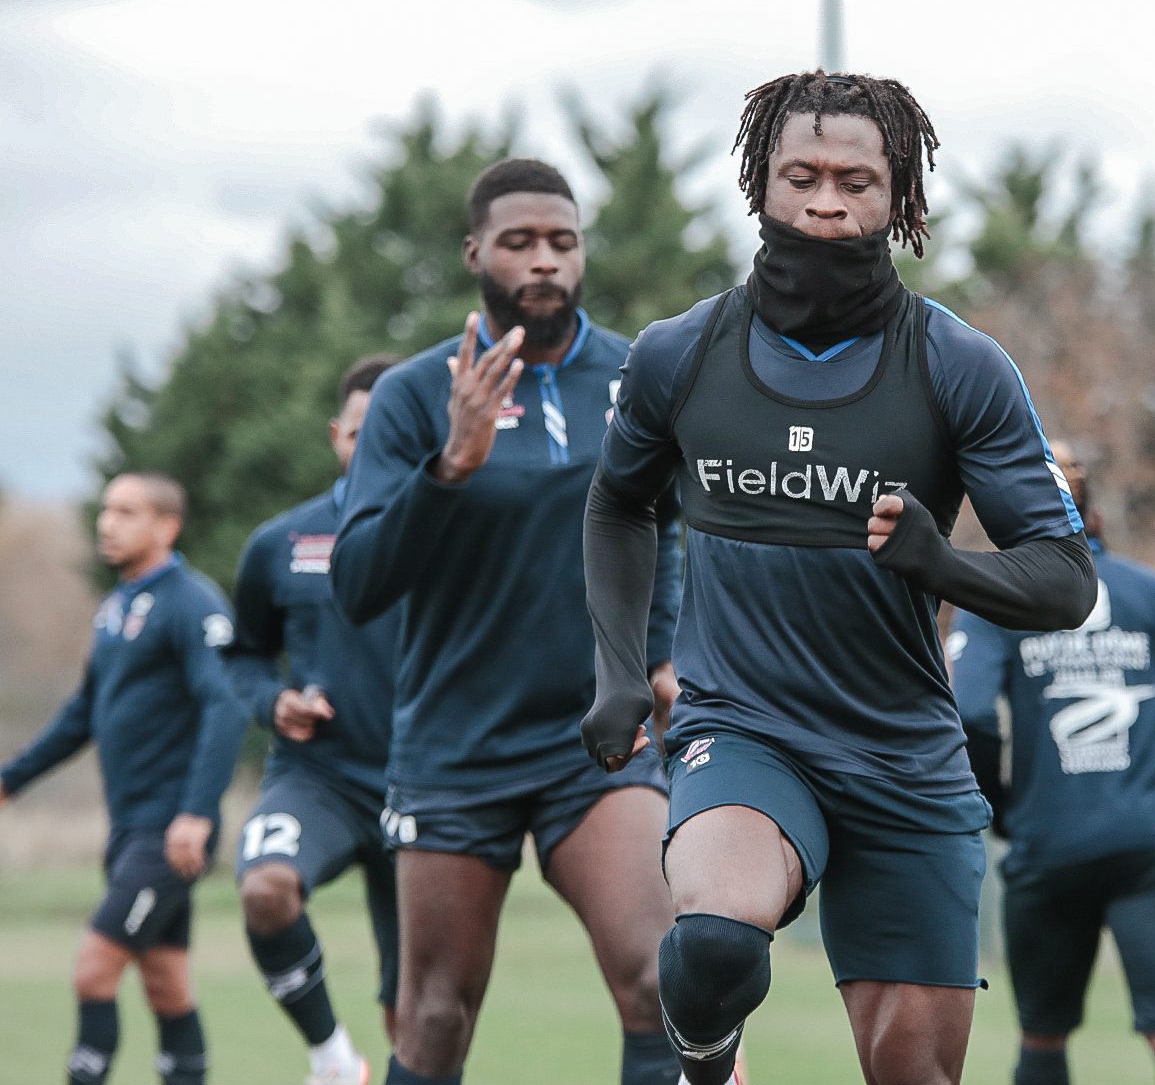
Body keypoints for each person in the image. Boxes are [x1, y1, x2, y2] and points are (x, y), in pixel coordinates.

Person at [580, 69, 1099, 1085]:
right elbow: (618, 504)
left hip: (905, 753)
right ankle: (708, 1069)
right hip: (746, 728)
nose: (826, 201)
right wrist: (618, 671)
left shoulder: (959, 365)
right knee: (712, 943)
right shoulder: (680, 354)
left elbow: (1065, 579)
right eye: (802, 176)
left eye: (855, 182)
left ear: (898, 198)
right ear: (759, 185)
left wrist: (939, 562)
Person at [330, 158, 685, 1085]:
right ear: (474, 253)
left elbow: (667, 529)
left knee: (663, 981)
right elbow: (358, 585)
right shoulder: (416, 395)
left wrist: (655, 660)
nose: (544, 261)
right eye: (519, 242)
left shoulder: (636, 376)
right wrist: (449, 466)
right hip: (454, 745)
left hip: (594, 737)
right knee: (435, 1016)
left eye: (563, 242)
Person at [948, 450, 1155, 1085]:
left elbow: (971, 714)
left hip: (1046, 847)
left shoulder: (993, 601)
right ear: (1096, 517)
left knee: (1041, 1040)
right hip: (1146, 846)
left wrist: (1000, 806)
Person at [0, 472, 247, 1085]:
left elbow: (225, 706)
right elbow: (83, 714)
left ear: (167, 526)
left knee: (93, 972)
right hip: (128, 828)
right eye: (106, 509)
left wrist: (197, 812)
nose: (107, 523)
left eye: (127, 511)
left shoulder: (193, 603)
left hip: (168, 833)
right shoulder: (115, 608)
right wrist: (12, 779)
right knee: (167, 985)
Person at [224, 354, 403, 1085]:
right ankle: (332, 1062)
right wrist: (274, 703)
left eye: (390, 431)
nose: (372, 446)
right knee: (265, 889)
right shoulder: (280, 543)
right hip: (318, 777)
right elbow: (243, 657)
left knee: (418, 1016)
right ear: (336, 436)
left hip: (427, 786)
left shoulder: (455, 537)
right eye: (359, 433)